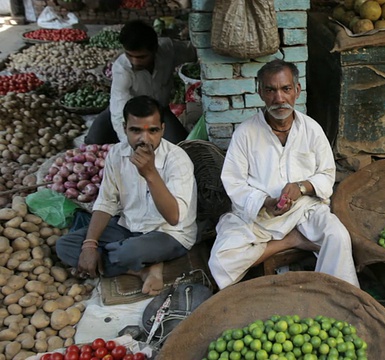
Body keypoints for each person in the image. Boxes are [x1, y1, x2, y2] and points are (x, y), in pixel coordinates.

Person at [208, 60, 360, 290]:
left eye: (286, 89)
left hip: (304, 211)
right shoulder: (245, 133)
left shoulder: (312, 129)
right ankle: (293, 240)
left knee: (337, 236)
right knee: (220, 260)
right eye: (271, 90)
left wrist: (301, 188)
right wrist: (265, 203)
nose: (279, 98)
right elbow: (234, 182)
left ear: (297, 91)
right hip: (260, 216)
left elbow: (327, 174)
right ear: (260, 93)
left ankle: (336, 296)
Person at [56, 95, 198, 295]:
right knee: (65, 246)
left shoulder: (177, 159)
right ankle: (142, 270)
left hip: (168, 233)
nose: (144, 139)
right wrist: (89, 246)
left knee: (127, 252)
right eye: (136, 130)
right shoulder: (117, 153)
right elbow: (106, 202)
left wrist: (150, 174)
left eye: (153, 131)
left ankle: (131, 260)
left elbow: (174, 218)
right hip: (128, 226)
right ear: (125, 129)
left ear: (163, 129)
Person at [85, 20, 193, 145]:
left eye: (141, 57)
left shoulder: (167, 49)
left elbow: (193, 51)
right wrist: (130, 144)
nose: (135, 61)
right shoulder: (122, 69)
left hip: (159, 110)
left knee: (180, 145)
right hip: (128, 111)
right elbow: (119, 109)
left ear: (154, 50)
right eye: (129, 55)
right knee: (94, 140)